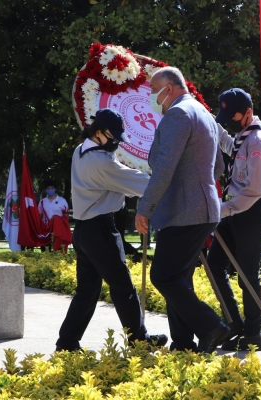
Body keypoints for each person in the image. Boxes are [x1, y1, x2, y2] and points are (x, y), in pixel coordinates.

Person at [134, 66, 230, 353]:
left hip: (183, 211)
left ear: (170, 88)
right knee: (179, 278)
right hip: (201, 208)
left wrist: (145, 207)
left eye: (154, 91)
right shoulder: (204, 113)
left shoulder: (178, 114)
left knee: (163, 276)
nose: (152, 97)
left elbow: (164, 167)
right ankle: (183, 343)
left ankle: (211, 326)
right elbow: (218, 166)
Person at [56, 108, 168, 352]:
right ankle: (139, 341)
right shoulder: (101, 162)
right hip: (100, 229)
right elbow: (141, 183)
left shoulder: (81, 151)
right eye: (113, 136)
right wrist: (166, 179)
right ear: (98, 132)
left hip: (84, 230)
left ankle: (67, 342)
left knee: (87, 291)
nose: (116, 141)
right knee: (122, 287)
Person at [205, 88, 261, 351]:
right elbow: (230, 147)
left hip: (250, 212)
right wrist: (210, 120)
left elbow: (255, 190)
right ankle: (234, 323)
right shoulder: (243, 137)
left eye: (233, 116)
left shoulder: (258, 142)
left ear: (248, 112)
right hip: (232, 210)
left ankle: (253, 334)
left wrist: (223, 209)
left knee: (247, 275)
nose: (230, 121)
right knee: (214, 265)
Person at [38, 180, 71, 252]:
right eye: (48, 188)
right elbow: (39, 216)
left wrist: (57, 219)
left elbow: (66, 217)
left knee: (58, 251)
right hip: (46, 230)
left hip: (58, 229)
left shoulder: (62, 201)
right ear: (46, 189)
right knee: (45, 251)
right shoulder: (42, 202)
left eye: (52, 188)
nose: (50, 190)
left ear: (55, 189)